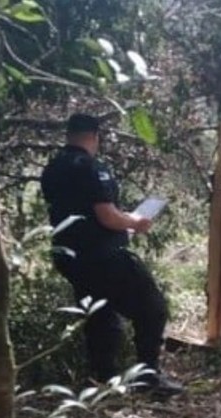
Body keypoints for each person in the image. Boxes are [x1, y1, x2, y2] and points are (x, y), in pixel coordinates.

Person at [40, 113, 182, 395]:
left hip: (69, 257)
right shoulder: (91, 168)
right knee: (153, 308)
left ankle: (103, 380)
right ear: (94, 137)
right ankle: (148, 377)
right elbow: (106, 216)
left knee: (100, 316)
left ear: (69, 134)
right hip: (103, 256)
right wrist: (135, 221)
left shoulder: (52, 169)